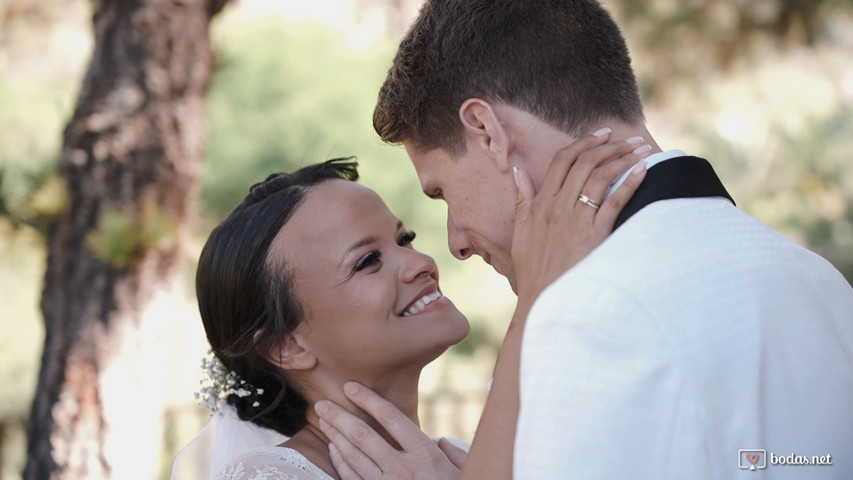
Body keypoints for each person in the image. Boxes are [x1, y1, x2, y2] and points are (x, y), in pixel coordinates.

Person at [314, 1, 853, 479]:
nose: (455, 242)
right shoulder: (817, 278)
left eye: (443, 193)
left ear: (487, 132)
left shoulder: (585, 311)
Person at [171, 148, 647, 479]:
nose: (420, 263)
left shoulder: (459, 462)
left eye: (404, 240)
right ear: (286, 345)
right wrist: (539, 292)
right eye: (367, 261)